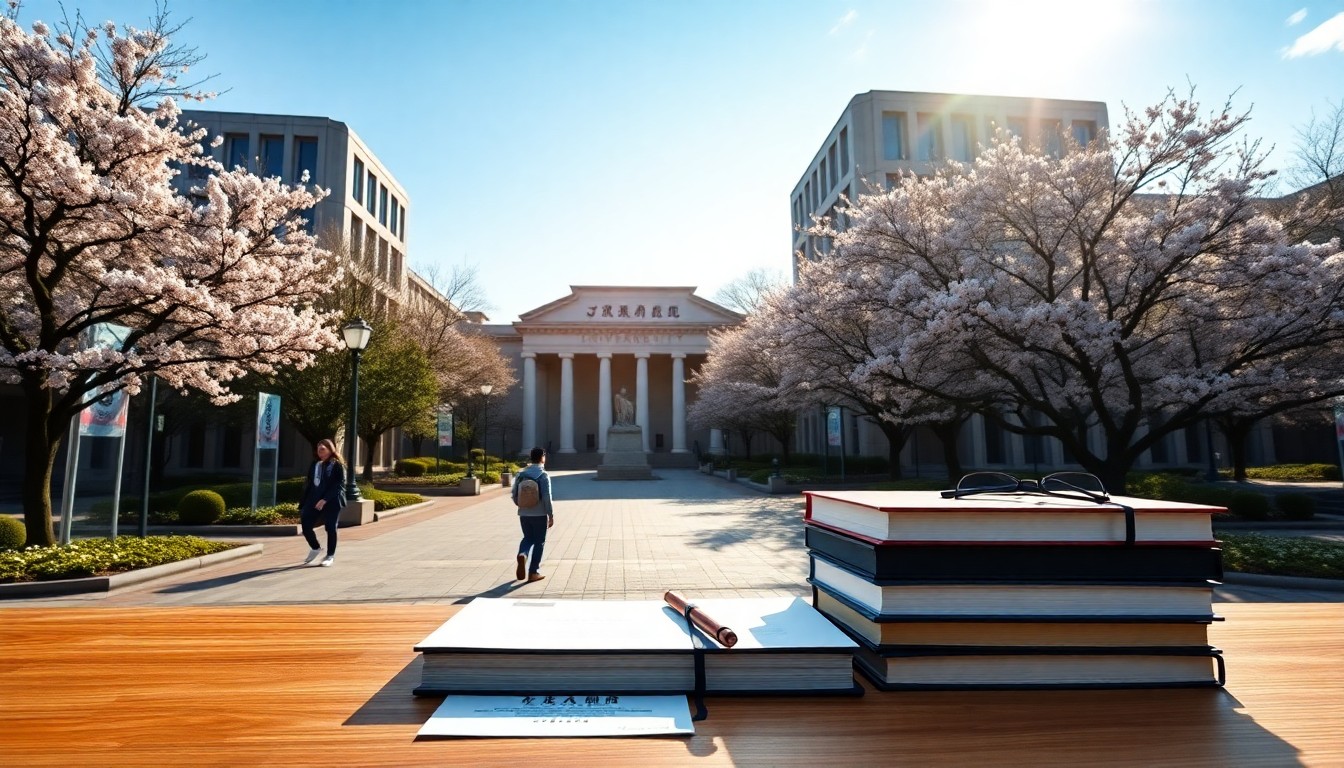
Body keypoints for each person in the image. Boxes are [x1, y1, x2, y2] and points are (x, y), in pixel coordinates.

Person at [300, 438, 347, 567]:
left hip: (332, 500)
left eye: (322, 449)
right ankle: (315, 548)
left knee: (330, 527)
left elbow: (338, 485)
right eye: (318, 449)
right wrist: (305, 502)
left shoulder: (337, 465)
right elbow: (310, 483)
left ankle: (330, 555)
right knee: (306, 525)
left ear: (330, 450)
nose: (319, 451)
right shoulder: (315, 464)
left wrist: (325, 499)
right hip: (314, 500)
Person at [512, 446, 554, 583]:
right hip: (539, 514)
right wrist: (550, 515)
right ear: (542, 457)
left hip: (524, 513)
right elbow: (547, 497)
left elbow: (514, 493)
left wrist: (521, 505)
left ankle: (523, 554)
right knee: (539, 542)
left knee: (527, 538)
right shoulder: (543, 475)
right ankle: (533, 572)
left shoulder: (521, 474)